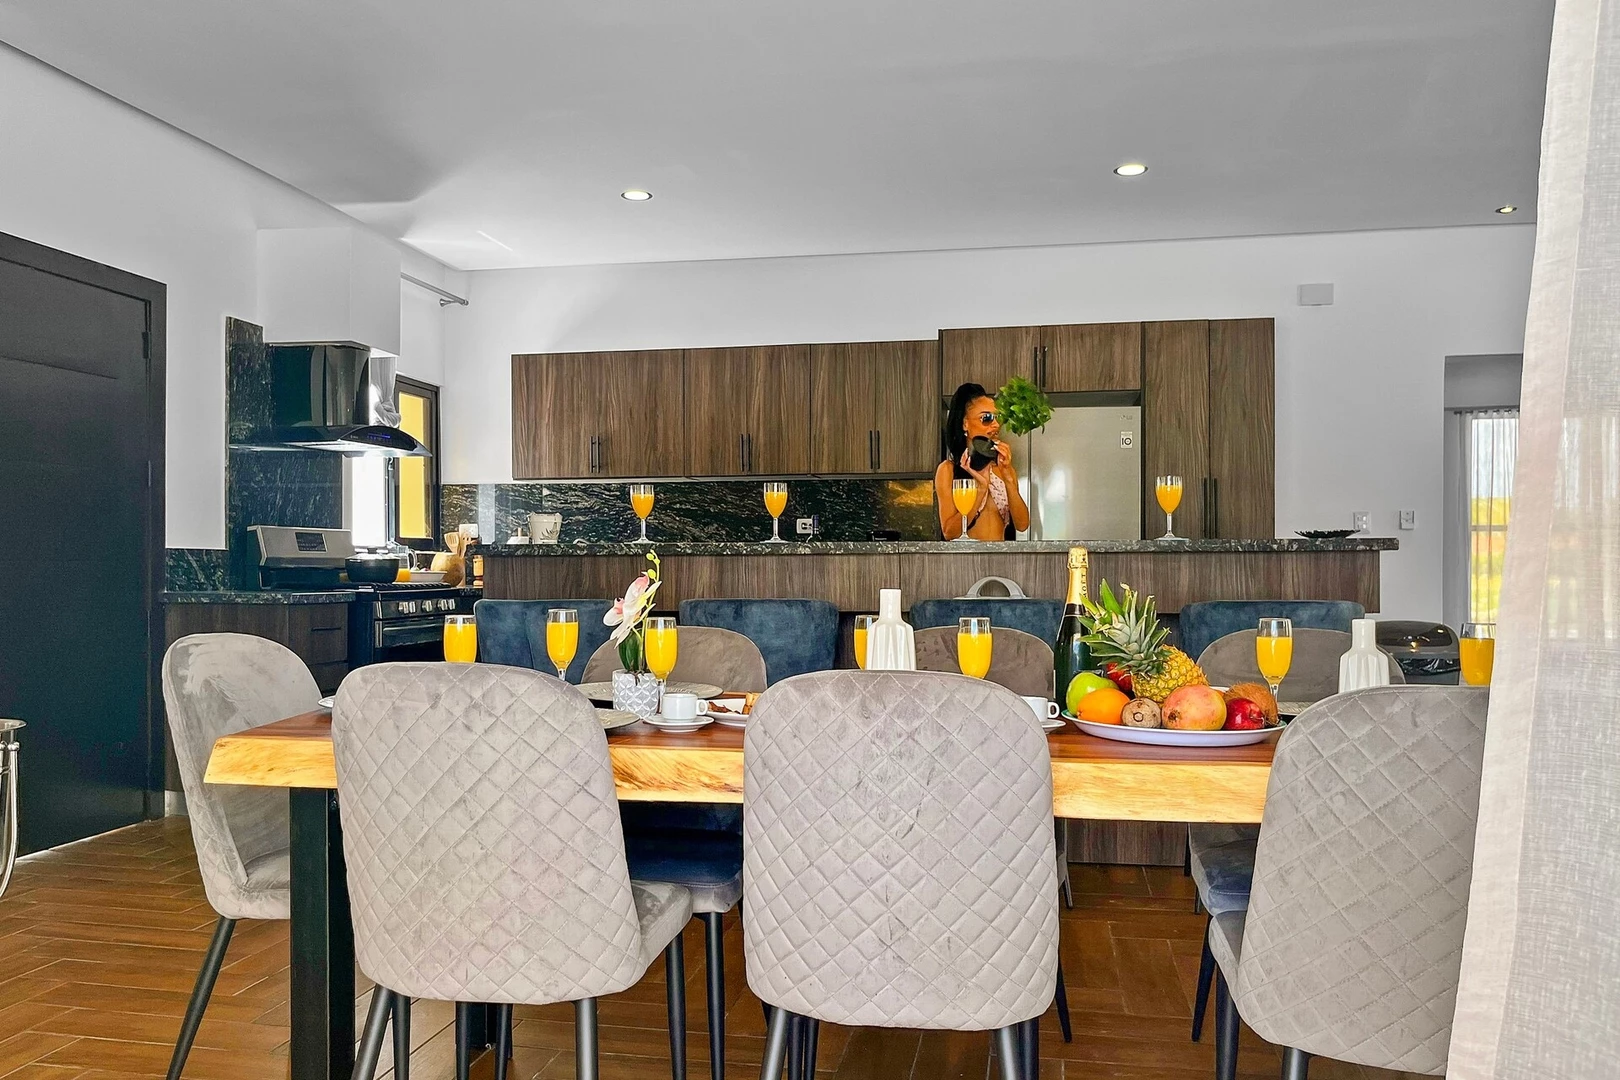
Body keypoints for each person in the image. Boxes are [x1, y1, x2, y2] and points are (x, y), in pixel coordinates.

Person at [934, 382, 1030, 540]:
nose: (996, 425)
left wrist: (1008, 478)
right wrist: (980, 490)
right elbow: (949, 532)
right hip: (967, 555)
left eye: (997, 417)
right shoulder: (948, 470)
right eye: (986, 418)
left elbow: (1022, 524)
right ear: (965, 424)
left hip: (1002, 554)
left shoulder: (1005, 469)